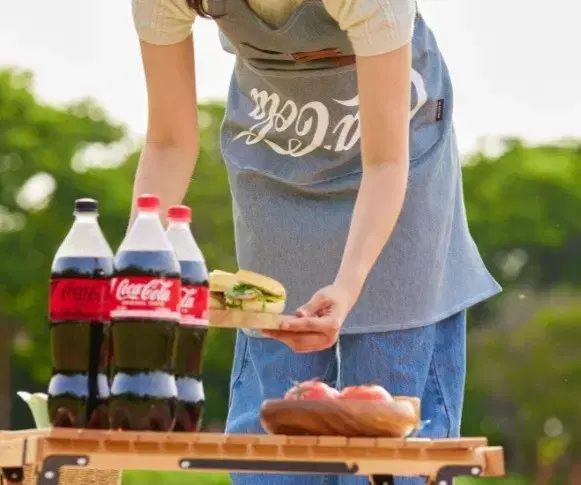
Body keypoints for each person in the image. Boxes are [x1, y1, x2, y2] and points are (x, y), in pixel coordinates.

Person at [130, 0, 501, 483]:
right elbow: (168, 142)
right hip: (278, 141)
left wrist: (347, 286)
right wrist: (138, 264)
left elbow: (386, 164)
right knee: (274, 444)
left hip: (397, 153)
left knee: (386, 440)